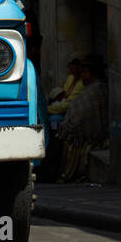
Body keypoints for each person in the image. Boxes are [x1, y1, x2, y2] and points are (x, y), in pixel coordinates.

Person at [39, 55, 108, 183]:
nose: (83, 76)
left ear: (95, 74)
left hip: (83, 135)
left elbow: (82, 113)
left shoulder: (96, 91)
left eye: (85, 72)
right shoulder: (83, 86)